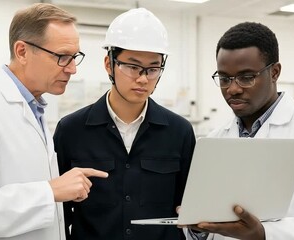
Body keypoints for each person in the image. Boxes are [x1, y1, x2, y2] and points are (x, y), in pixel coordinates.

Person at [0, 3, 108, 240]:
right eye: (62, 57)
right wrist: (50, 191)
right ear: (22, 52)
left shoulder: (34, 109)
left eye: (74, 57)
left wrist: (57, 192)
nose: (72, 69)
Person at [185, 22, 294, 240]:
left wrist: (264, 234)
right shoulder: (214, 140)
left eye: (246, 77)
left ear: (275, 72)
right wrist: (197, 229)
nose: (233, 88)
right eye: (224, 78)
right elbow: (209, 225)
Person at [53, 8, 196, 240]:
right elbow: (60, 214)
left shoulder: (179, 132)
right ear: (109, 65)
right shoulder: (71, 130)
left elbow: (188, 208)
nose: (142, 78)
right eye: (132, 66)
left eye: (153, 69)